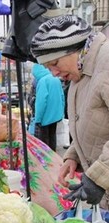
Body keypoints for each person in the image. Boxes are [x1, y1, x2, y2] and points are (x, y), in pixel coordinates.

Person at [30, 15, 109, 207]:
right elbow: (92, 120)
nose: (54, 73)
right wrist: (73, 156)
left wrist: (99, 176)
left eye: (55, 63)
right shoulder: (79, 72)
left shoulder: (106, 65)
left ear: (75, 49)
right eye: (48, 67)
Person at [31, 63, 65, 151]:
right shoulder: (55, 79)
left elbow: (41, 102)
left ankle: (47, 162)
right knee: (52, 137)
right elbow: (62, 97)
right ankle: (54, 159)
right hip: (56, 116)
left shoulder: (43, 81)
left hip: (45, 117)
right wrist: (61, 112)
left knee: (44, 144)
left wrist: (38, 119)